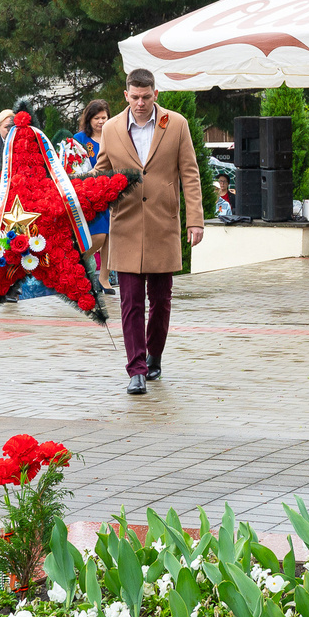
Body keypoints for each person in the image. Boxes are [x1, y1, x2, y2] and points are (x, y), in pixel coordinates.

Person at [97, 69, 204, 395]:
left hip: (163, 224)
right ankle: (137, 370)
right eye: (135, 97)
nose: (141, 102)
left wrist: (195, 220)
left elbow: (190, 173)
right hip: (126, 226)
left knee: (160, 299)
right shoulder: (113, 128)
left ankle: (155, 354)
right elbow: (101, 173)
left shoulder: (177, 124)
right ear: (126, 96)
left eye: (146, 97)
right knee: (130, 302)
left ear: (155, 94)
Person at [61, 100, 117, 293]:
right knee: (99, 236)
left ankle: (104, 279)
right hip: (89, 194)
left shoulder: (115, 135)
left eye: (104, 118)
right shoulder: (79, 138)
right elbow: (71, 167)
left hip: (113, 191)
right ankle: (73, 264)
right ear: (89, 119)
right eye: (97, 118)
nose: (101, 122)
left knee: (112, 237)